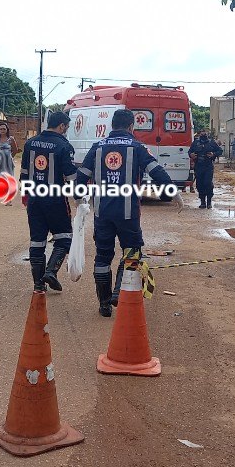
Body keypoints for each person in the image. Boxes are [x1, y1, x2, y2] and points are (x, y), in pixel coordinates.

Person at [77, 109, 181, 317]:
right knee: (132, 253)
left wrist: (79, 198)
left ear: (112, 126)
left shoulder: (97, 148)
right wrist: (172, 192)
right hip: (128, 214)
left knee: (103, 256)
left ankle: (104, 303)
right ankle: (118, 292)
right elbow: (157, 172)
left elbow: (81, 177)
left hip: (103, 213)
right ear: (131, 126)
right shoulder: (137, 147)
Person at [21, 112, 78, 291]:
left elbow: (24, 173)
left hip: (35, 198)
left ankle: (38, 285)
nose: (66, 131)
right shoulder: (63, 145)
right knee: (64, 238)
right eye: (66, 128)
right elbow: (71, 175)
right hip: (55, 199)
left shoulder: (30, 143)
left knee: (37, 241)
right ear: (61, 126)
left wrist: (26, 195)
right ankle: (51, 271)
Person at [188, 129, 222, 209]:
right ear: (200, 134)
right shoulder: (195, 143)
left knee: (207, 183)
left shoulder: (212, 142)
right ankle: (202, 202)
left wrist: (213, 154)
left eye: (205, 134)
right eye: (202, 133)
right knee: (199, 184)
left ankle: (209, 202)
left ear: (207, 135)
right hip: (198, 166)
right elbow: (190, 152)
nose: (203, 135)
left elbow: (220, 151)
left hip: (208, 166)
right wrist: (191, 155)